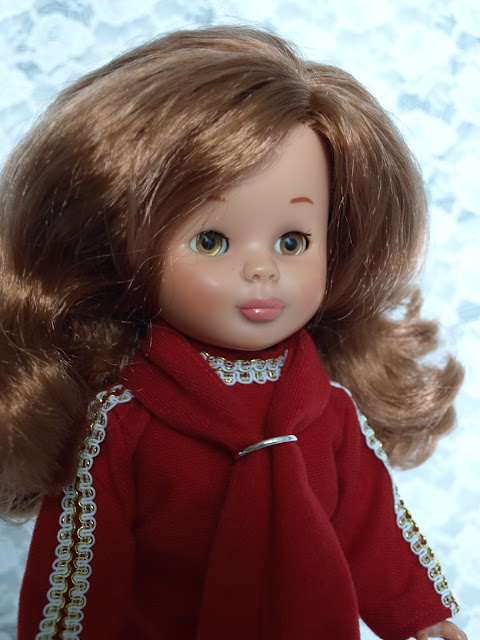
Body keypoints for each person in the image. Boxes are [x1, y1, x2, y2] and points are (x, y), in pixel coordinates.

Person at [0, 25, 466, 640]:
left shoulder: (330, 414)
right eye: (212, 241)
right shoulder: (122, 427)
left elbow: (371, 526)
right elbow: (84, 571)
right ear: (122, 246)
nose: (261, 270)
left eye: (293, 241)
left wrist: (423, 620)